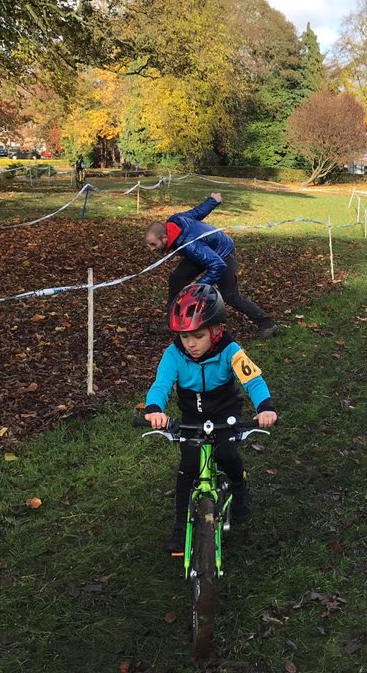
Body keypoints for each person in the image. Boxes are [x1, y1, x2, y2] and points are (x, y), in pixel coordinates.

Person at [142, 283, 278, 554]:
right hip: (192, 416)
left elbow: (253, 380)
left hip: (225, 413)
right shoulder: (174, 354)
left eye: (198, 335)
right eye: (184, 337)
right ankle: (181, 528)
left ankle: (239, 488)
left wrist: (265, 408)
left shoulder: (231, 350)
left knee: (226, 454)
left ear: (217, 330)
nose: (190, 344)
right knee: (188, 467)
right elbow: (161, 384)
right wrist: (154, 409)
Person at [144, 193, 279, 339]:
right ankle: (172, 322)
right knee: (177, 278)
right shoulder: (175, 220)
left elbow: (218, 265)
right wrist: (213, 200)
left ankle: (267, 323)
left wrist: (199, 287)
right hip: (204, 252)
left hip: (223, 255)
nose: (151, 249)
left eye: (153, 244)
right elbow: (197, 212)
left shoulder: (191, 246)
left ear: (165, 238)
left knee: (230, 295)